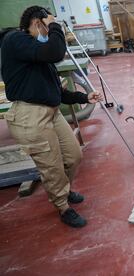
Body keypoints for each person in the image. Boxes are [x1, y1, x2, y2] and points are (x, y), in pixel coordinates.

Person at [0, 6, 103, 227]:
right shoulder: (14, 40)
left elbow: (57, 91)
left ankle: (64, 190)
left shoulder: (37, 53)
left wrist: (84, 97)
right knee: (52, 166)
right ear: (38, 23)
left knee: (74, 156)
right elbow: (56, 51)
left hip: (51, 112)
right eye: (48, 26)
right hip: (30, 116)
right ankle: (62, 206)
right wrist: (55, 25)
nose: (50, 33)